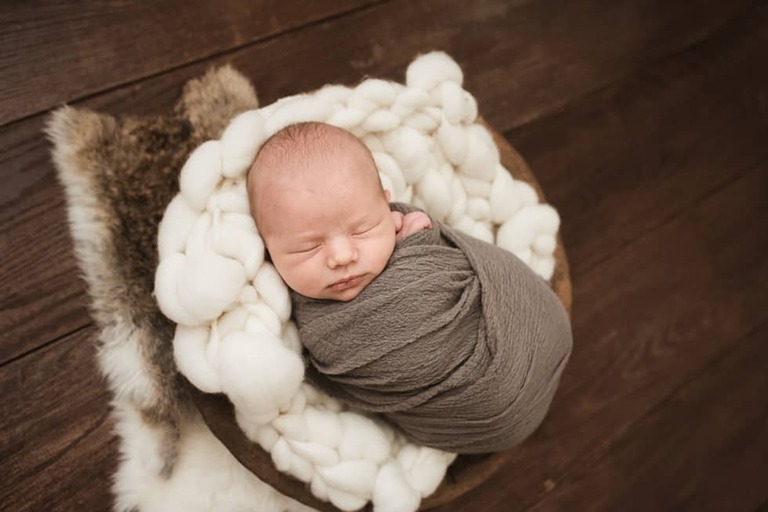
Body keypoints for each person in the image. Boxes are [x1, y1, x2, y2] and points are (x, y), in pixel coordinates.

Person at [246, 121, 572, 454]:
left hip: (535, 328)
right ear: (266, 248)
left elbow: (443, 261)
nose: (343, 257)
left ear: (387, 207)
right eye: (308, 248)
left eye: (362, 229)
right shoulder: (303, 322)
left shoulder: (414, 236)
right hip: (482, 421)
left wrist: (417, 242)